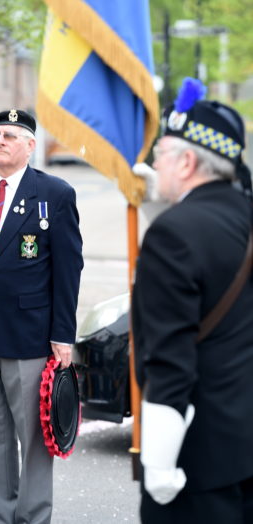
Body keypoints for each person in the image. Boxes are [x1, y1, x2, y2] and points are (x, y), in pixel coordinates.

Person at [0, 109, 83, 524]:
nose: (0, 141)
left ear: (30, 145)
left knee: (34, 440)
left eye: (10, 135)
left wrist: (63, 335)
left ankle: (33, 517)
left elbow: (67, 269)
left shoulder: (55, 194)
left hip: (30, 337)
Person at [132, 78, 253, 524]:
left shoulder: (172, 235)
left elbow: (169, 359)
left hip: (198, 462)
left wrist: (160, 464)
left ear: (186, 161)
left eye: (160, 154)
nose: (154, 164)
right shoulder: (241, 214)